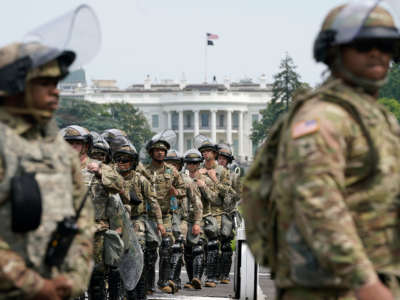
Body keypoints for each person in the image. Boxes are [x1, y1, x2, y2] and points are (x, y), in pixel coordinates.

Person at [243, 2, 400, 300]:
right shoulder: (324, 118)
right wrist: (365, 282)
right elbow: (318, 203)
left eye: (386, 44)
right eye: (364, 44)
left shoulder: (376, 119)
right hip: (334, 287)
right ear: (333, 51)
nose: (377, 52)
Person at [0, 9, 99, 299]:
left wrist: (73, 278)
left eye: (56, 84)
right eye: (44, 83)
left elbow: (83, 219)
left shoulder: (59, 152)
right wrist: (34, 285)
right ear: (15, 86)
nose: (55, 92)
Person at [110, 135, 163, 300]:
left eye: (126, 160)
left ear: (133, 162)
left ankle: (140, 291)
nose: (122, 163)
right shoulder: (111, 178)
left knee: (139, 250)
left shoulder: (141, 180)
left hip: (136, 219)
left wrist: (160, 224)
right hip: (116, 220)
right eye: (119, 159)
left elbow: (153, 202)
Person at [141, 131, 185, 294]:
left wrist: (177, 193)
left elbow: (183, 189)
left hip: (166, 215)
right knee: (150, 251)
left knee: (166, 247)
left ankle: (164, 281)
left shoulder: (172, 171)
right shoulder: (144, 171)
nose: (160, 153)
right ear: (151, 153)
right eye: (157, 150)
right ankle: (148, 285)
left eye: (163, 151)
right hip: (149, 216)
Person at [195, 135, 232, 288]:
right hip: (201, 212)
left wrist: (214, 179)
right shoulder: (198, 169)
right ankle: (196, 277)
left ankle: (213, 276)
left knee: (215, 244)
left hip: (217, 212)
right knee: (197, 245)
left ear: (214, 153)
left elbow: (227, 193)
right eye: (203, 151)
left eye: (208, 151)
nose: (205, 154)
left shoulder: (222, 171)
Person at [164, 149, 203, 291]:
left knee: (178, 245)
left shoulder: (186, 181)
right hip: (164, 219)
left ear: (180, 166)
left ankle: (174, 281)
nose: (172, 167)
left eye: (175, 164)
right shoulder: (158, 181)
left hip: (182, 220)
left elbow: (197, 204)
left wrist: (197, 223)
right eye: (168, 164)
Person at [182, 149, 218, 290]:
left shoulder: (206, 179)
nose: (192, 166)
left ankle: (197, 278)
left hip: (203, 217)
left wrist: (204, 188)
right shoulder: (182, 179)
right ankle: (191, 279)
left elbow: (215, 199)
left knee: (198, 247)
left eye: (195, 163)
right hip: (187, 218)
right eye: (190, 163)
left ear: (199, 164)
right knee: (187, 250)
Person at [216, 143, 242, 284]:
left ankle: (224, 274)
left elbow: (238, 195)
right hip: (212, 213)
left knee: (226, 245)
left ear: (228, 161)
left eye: (224, 159)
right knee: (211, 245)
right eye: (219, 158)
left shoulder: (233, 176)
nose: (221, 161)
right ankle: (212, 274)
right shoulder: (209, 172)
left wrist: (228, 193)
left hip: (227, 212)